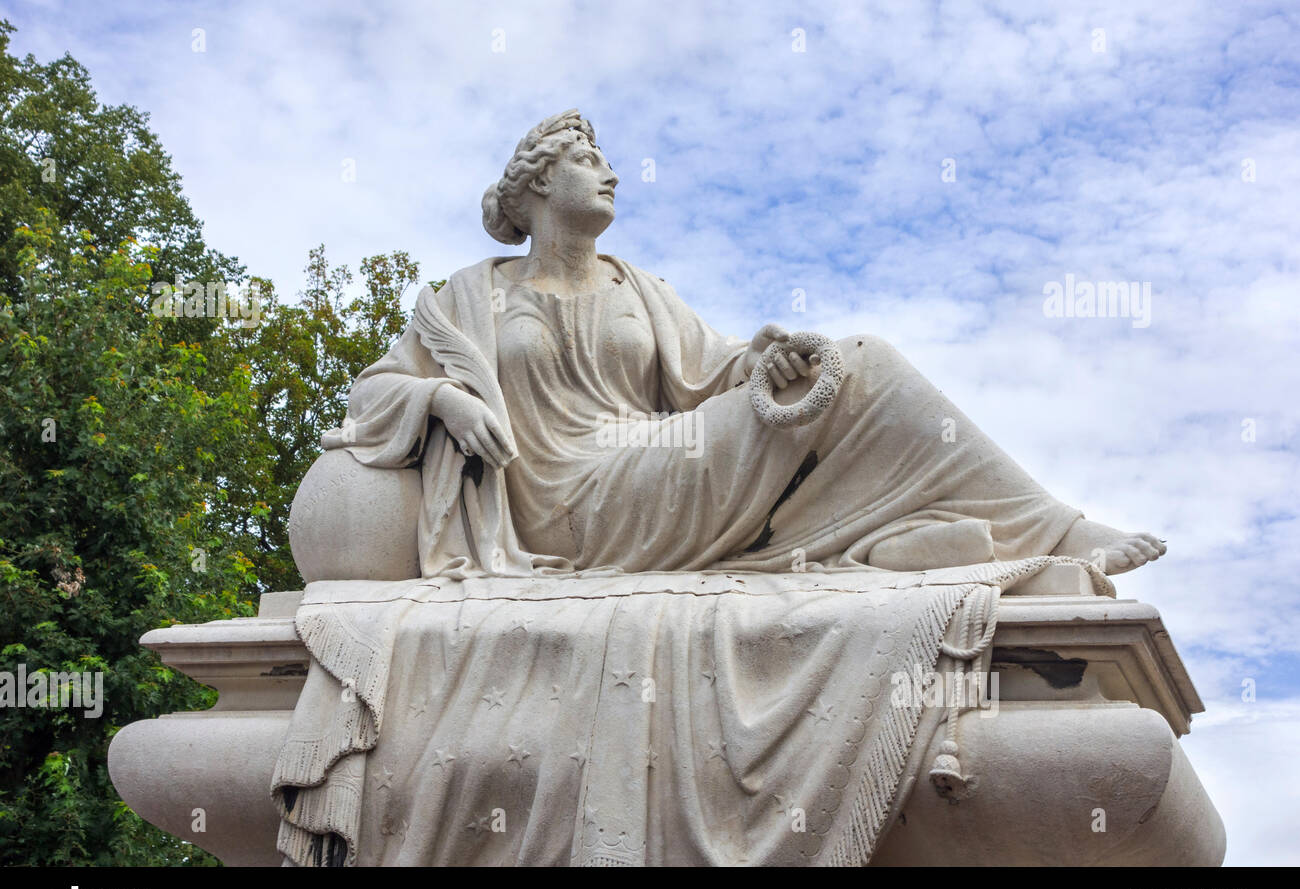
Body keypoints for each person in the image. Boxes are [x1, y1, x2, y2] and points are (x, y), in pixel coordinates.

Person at [324, 109, 1165, 578]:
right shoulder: (470, 296)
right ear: (541, 182)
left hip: (660, 456)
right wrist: (440, 396)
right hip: (564, 502)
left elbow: (709, 374)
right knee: (863, 363)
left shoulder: (638, 287)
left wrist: (760, 361)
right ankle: (1053, 535)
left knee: (834, 373)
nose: (611, 172)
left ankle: (890, 542)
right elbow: (370, 395)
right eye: (589, 159)